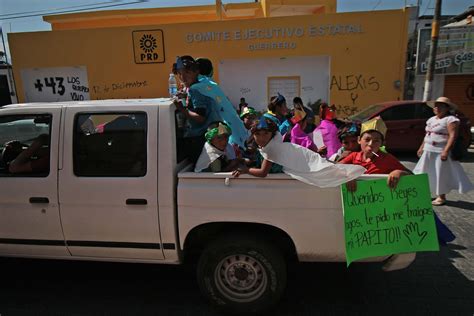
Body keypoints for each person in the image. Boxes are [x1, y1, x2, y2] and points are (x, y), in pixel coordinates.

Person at [413, 97, 473, 206]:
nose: (437, 108)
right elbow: (428, 134)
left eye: (440, 106)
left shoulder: (451, 120)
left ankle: (441, 196)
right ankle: (423, 193)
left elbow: (453, 136)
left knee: (440, 173)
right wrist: (422, 147)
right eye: (436, 105)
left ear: (447, 108)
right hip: (428, 150)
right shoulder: (431, 120)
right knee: (423, 171)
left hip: (440, 151)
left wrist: (446, 151)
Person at [338, 117, 411, 191]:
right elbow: (335, 169)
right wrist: (347, 175)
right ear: (359, 140)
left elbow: (411, 175)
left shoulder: (387, 159)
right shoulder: (353, 156)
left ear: (382, 143)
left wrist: (399, 172)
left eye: (376, 141)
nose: (370, 144)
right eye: (367, 139)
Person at [173, 56, 221, 163]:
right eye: (180, 73)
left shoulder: (195, 90)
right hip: (206, 137)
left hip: (198, 139)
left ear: (196, 72)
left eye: (187, 73)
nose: (183, 77)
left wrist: (182, 109)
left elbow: (200, 118)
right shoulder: (200, 86)